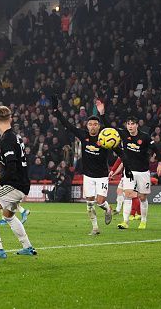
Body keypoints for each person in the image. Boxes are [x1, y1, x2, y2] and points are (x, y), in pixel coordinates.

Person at [0, 106, 36, 259]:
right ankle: (27, 247)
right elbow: (13, 159)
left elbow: (11, 168)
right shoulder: (15, 137)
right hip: (23, 183)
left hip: (15, 184)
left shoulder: (7, 140)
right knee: (8, 216)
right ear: (10, 119)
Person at [52, 97, 113, 235]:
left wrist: (102, 114)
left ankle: (108, 209)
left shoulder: (105, 137)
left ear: (99, 126)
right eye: (90, 124)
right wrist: (57, 112)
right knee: (90, 203)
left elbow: (111, 130)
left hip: (102, 175)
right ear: (87, 126)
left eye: (95, 124)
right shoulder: (83, 135)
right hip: (88, 175)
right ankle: (95, 228)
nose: (92, 126)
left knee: (100, 201)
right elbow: (68, 125)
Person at [113, 116, 161, 230]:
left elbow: (156, 150)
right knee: (128, 195)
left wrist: (160, 163)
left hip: (143, 172)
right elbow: (109, 128)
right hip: (129, 171)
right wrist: (102, 114)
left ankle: (143, 220)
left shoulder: (144, 137)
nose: (130, 126)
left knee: (142, 197)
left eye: (132, 124)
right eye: (128, 124)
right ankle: (125, 221)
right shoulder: (124, 134)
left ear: (137, 125)